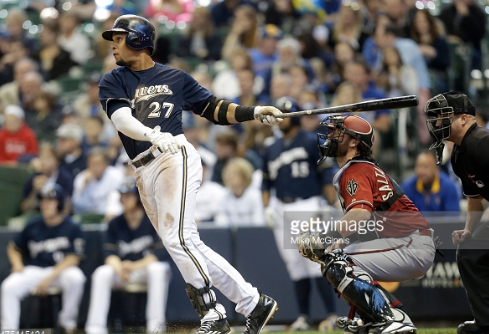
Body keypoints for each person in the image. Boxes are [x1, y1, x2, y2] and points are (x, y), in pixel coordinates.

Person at [99, 14, 282, 334]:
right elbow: (122, 120)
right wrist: (151, 134)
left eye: (119, 37)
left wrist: (254, 112)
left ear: (138, 39)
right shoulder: (114, 80)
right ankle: (253, 302)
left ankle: (212, 313)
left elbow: (214, 109)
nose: (113, 44)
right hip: (143, 166)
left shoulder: (175, 77)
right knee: (184, 242)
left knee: (177, 237)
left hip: (172, 156)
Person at [298, 114, 436, 333]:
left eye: (337, 132)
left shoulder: (356, 170)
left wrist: (324, 238)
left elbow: (361, 214)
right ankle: (372, 317)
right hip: (404, 240)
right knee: (336, 259)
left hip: (410, 242)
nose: (331, 136)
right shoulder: (360, 168)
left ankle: (391, 318)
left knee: (338, 263)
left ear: (354, 141)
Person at [262, 97, 338, 330]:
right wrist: (266, 208)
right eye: (279, 115)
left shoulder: (310, 140)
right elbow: (265, 183)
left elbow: (325, 174)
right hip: (282, 207)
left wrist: (329, 202)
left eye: (285, 115)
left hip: (307, 205)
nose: (281, 120)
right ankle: (304, 315)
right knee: (295, 265)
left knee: (314, 262)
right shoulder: (271, 147)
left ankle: (332, 314)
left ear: (294, 117)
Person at [424, 91, 489, 334]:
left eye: (443, 117)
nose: (437, 124)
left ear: (464, 119)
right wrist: (469, 230)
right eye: (435, 119)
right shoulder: (459, 154)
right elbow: (475, 198)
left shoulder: (482, 142)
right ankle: (486, 323)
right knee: (469, 252)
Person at [85, 178, 172, 334]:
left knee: (157, 269)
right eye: (122, 195)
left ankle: (155, 327)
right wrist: (120, 269)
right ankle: (95, 328)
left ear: (138, 197)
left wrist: (133, 266)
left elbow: (160, 254)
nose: (124, 199)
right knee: (102, 273)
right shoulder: (115, 223)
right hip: (124, 272)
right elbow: (109, 254)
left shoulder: (153, 219)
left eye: (128, 195)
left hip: (144, 270)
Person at [0, 184, 86, 332]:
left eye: (50, 201)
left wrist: (49, 278)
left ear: (59, 203)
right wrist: (17, 264)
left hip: (60, 272)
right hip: (35, 270)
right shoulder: (33, 224)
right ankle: (9, 330)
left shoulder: (72, 227)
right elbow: (13, 247)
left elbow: (73, 259)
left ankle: (67, 323)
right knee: (9, 286)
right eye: (43, 201)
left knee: (76, 278)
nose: (45, 205)